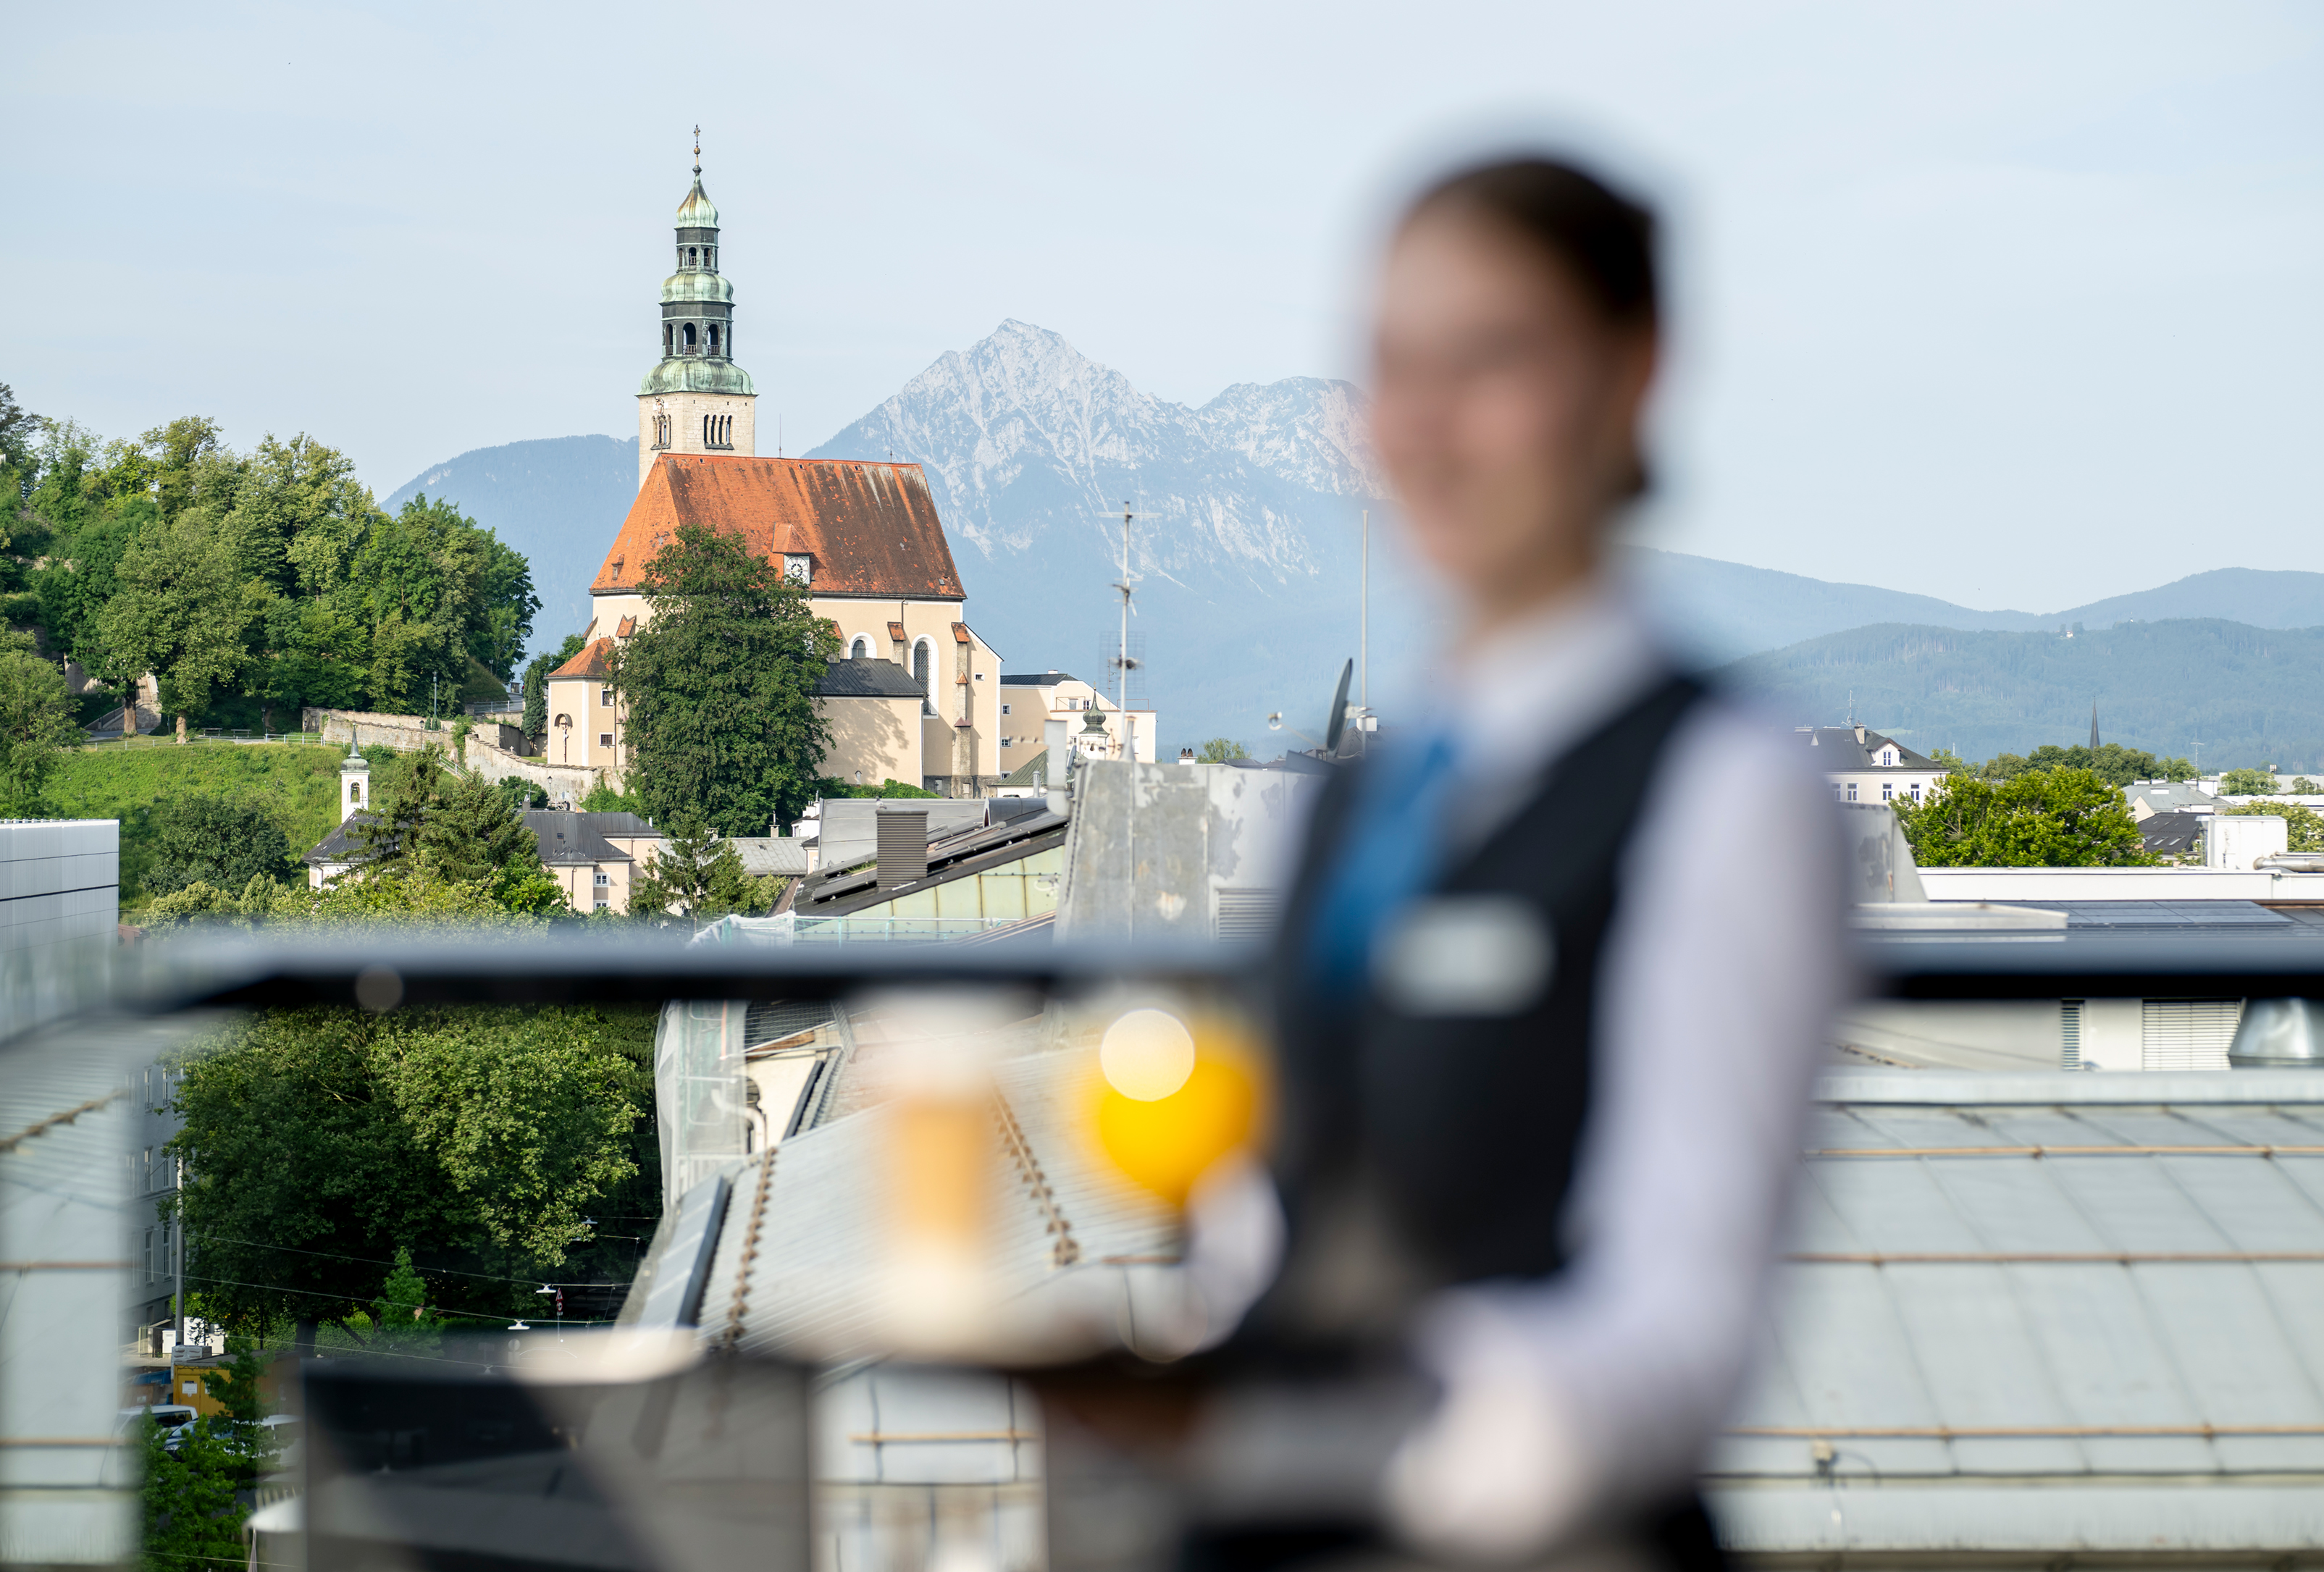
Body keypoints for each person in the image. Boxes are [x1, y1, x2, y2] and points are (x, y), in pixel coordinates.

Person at [1174, 156, 1850, 1570]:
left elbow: (1683, 1329)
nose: (1427, 425)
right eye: (1394, 367)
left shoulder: (1723, 791)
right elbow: (1284, 1219)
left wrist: (1394, 1447)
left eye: (1491, 360)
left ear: (1631, 374)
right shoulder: (1349, 798)